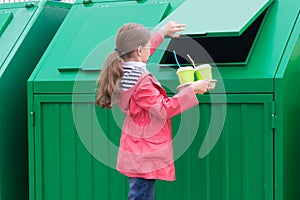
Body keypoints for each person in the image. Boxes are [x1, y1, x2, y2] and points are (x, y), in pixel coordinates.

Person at [95, 22, 209, 200]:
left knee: (140, 192)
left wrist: (162, 33)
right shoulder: (142, 81)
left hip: (136, 146)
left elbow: (141, 57)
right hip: (144, 152)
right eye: (147, 48)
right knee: (141, 195)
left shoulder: (125, 69)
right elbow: (163, 109)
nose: (149, 51)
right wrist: (192, 89)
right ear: (140, 50)